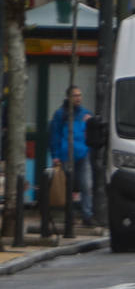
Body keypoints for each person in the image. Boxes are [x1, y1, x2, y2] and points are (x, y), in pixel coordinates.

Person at [49, 85, 94, 226]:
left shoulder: (85, 114)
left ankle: (87, 216)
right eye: (75, 95)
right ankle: (70, 214)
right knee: (67, 186)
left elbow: (91, 133)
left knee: (86, 185)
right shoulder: (60, 114)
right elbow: (54, 135)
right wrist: (55, 155)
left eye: (79, 95)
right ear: (68, 97)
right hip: (65, 155)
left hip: (83, 154)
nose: (78, 98)